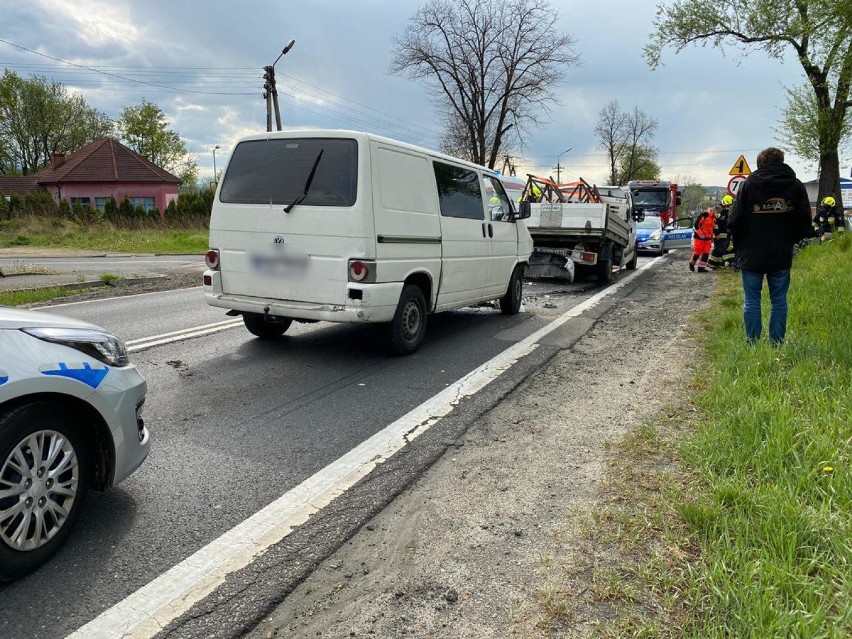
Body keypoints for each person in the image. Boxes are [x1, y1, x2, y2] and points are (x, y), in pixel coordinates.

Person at [727, 147, 814, 345]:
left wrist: (738, 245)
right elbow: (804, 222)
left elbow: (734, 220)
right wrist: (791, 239)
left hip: (751, 253)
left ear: (760, 164)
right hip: (781, 253)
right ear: (782, 162)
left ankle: (752, 344)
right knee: (779, 302)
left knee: (752, 301)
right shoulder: (796, 186)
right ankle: (776, 344)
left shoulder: (748, 185)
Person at [707, 194, 737, 269]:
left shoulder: (728, 211)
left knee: (723, 248)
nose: (729, 207)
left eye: (730, 205)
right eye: (728, 205)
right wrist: (716, 234)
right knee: (718, 248)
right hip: (719, 233)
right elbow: (715, 224)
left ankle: (718, 263)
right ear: (724, 204)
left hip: (726, 233)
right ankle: (711, 263)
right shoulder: (719, 211)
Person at [689, 206, 716, 272]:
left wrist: (712, 237)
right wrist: (701, 234)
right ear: (713, 211)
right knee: (697, 253)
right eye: (716, 212)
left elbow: (711, 228)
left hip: (708, 238)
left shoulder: (713, 218)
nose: (717, 213)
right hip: (699, 238)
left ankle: (701, 268)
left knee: (706, 253)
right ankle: (692, 263)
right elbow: (696, 225)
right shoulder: (704, 215)